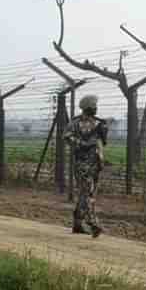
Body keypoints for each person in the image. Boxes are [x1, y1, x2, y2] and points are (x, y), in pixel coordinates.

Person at [64, 95, 108, 238]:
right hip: (82, 163)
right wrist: (82, 144)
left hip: (95, 163)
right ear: (87, 107)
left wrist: (101, 160)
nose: (96, 108)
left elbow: (102, 143)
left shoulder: (99, 123)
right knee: (88, 193)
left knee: (86, 194)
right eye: (94, 106)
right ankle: (93, 223)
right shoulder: (75, 122)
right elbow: (67, 137)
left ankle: (77, 224)